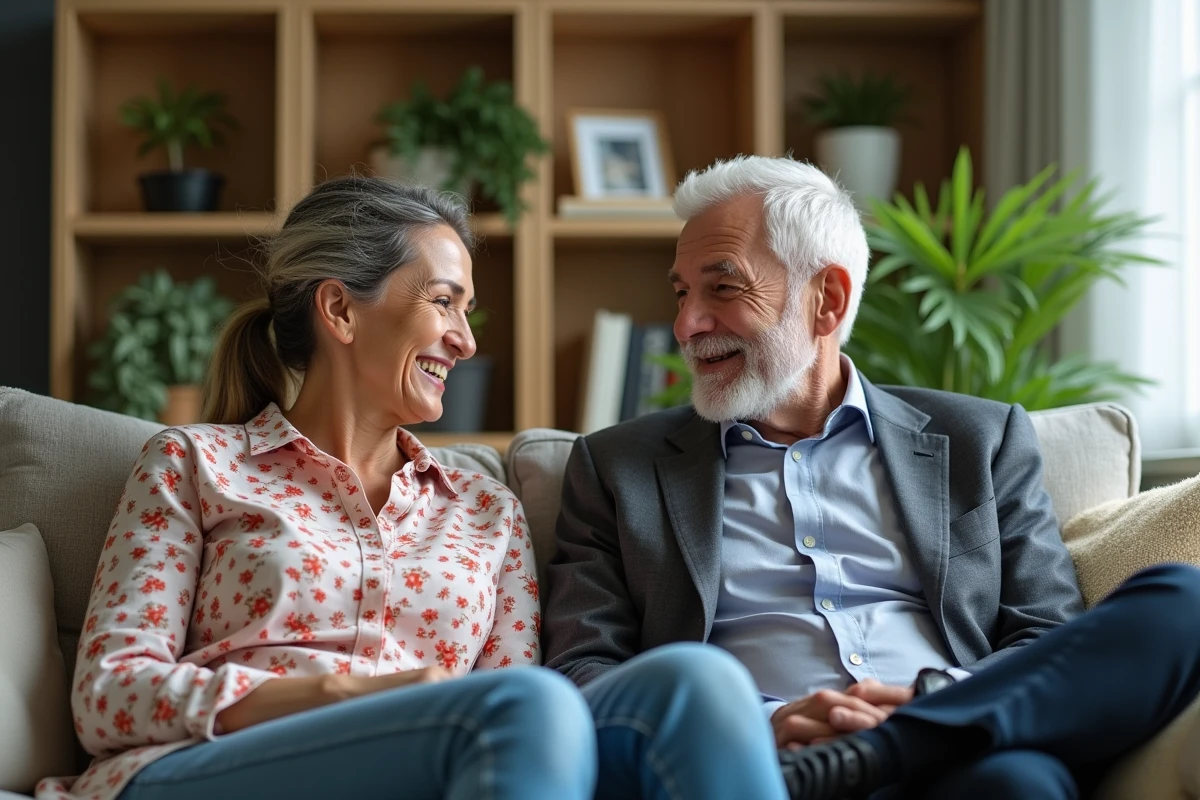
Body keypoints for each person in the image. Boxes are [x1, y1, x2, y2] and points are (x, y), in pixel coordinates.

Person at [37, 177, 775, 800]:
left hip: (428, 759)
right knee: (522, 708)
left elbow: (535, 719)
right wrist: (339, 693)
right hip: (203, 769)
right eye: (445, 302)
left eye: (466, 311)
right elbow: (109, 695)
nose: (466, 339)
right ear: (340, 310)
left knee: (694, 682)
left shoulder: (487, 511)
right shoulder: (196, 464)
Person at [541, 155, 1200, 800]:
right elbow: (580, 671)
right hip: (762, 770)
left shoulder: (979, 439)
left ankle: (895, 744)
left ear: (826, 301)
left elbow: (1044, 635)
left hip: (954, 755)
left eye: (724, 287)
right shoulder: (617, 468)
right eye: (682, 292)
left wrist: (928, 705)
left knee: (1181, 600)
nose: (686, 325)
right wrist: (761, 725)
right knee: (1020, 782)